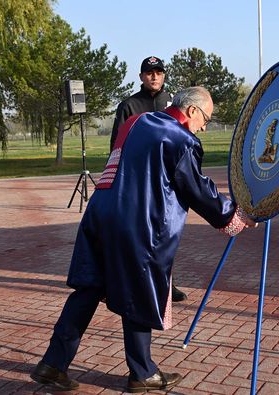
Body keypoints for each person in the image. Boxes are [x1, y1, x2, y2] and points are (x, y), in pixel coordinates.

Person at [31, 87, 256, 392]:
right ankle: (142, 372)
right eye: (205, 118)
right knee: (138, 292)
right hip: (136, 223)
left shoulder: (136, 122)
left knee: (88, 289)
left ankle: (53, 363)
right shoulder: (181, 139)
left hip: (100, 213)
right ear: (191, 111)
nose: (204, 126)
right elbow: (197, 189)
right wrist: (235, 215)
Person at [110, 56, 187, 302]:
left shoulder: (174, 104)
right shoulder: (129, 106)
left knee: (168, 233)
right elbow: (117, 146)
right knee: (136, 235)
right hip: (139, 183)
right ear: (141, 76)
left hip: (167, 182)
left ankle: (166, 285)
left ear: (164, 75)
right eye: (149, 72)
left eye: (158, 72)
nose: (154, 76)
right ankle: (131, 282)